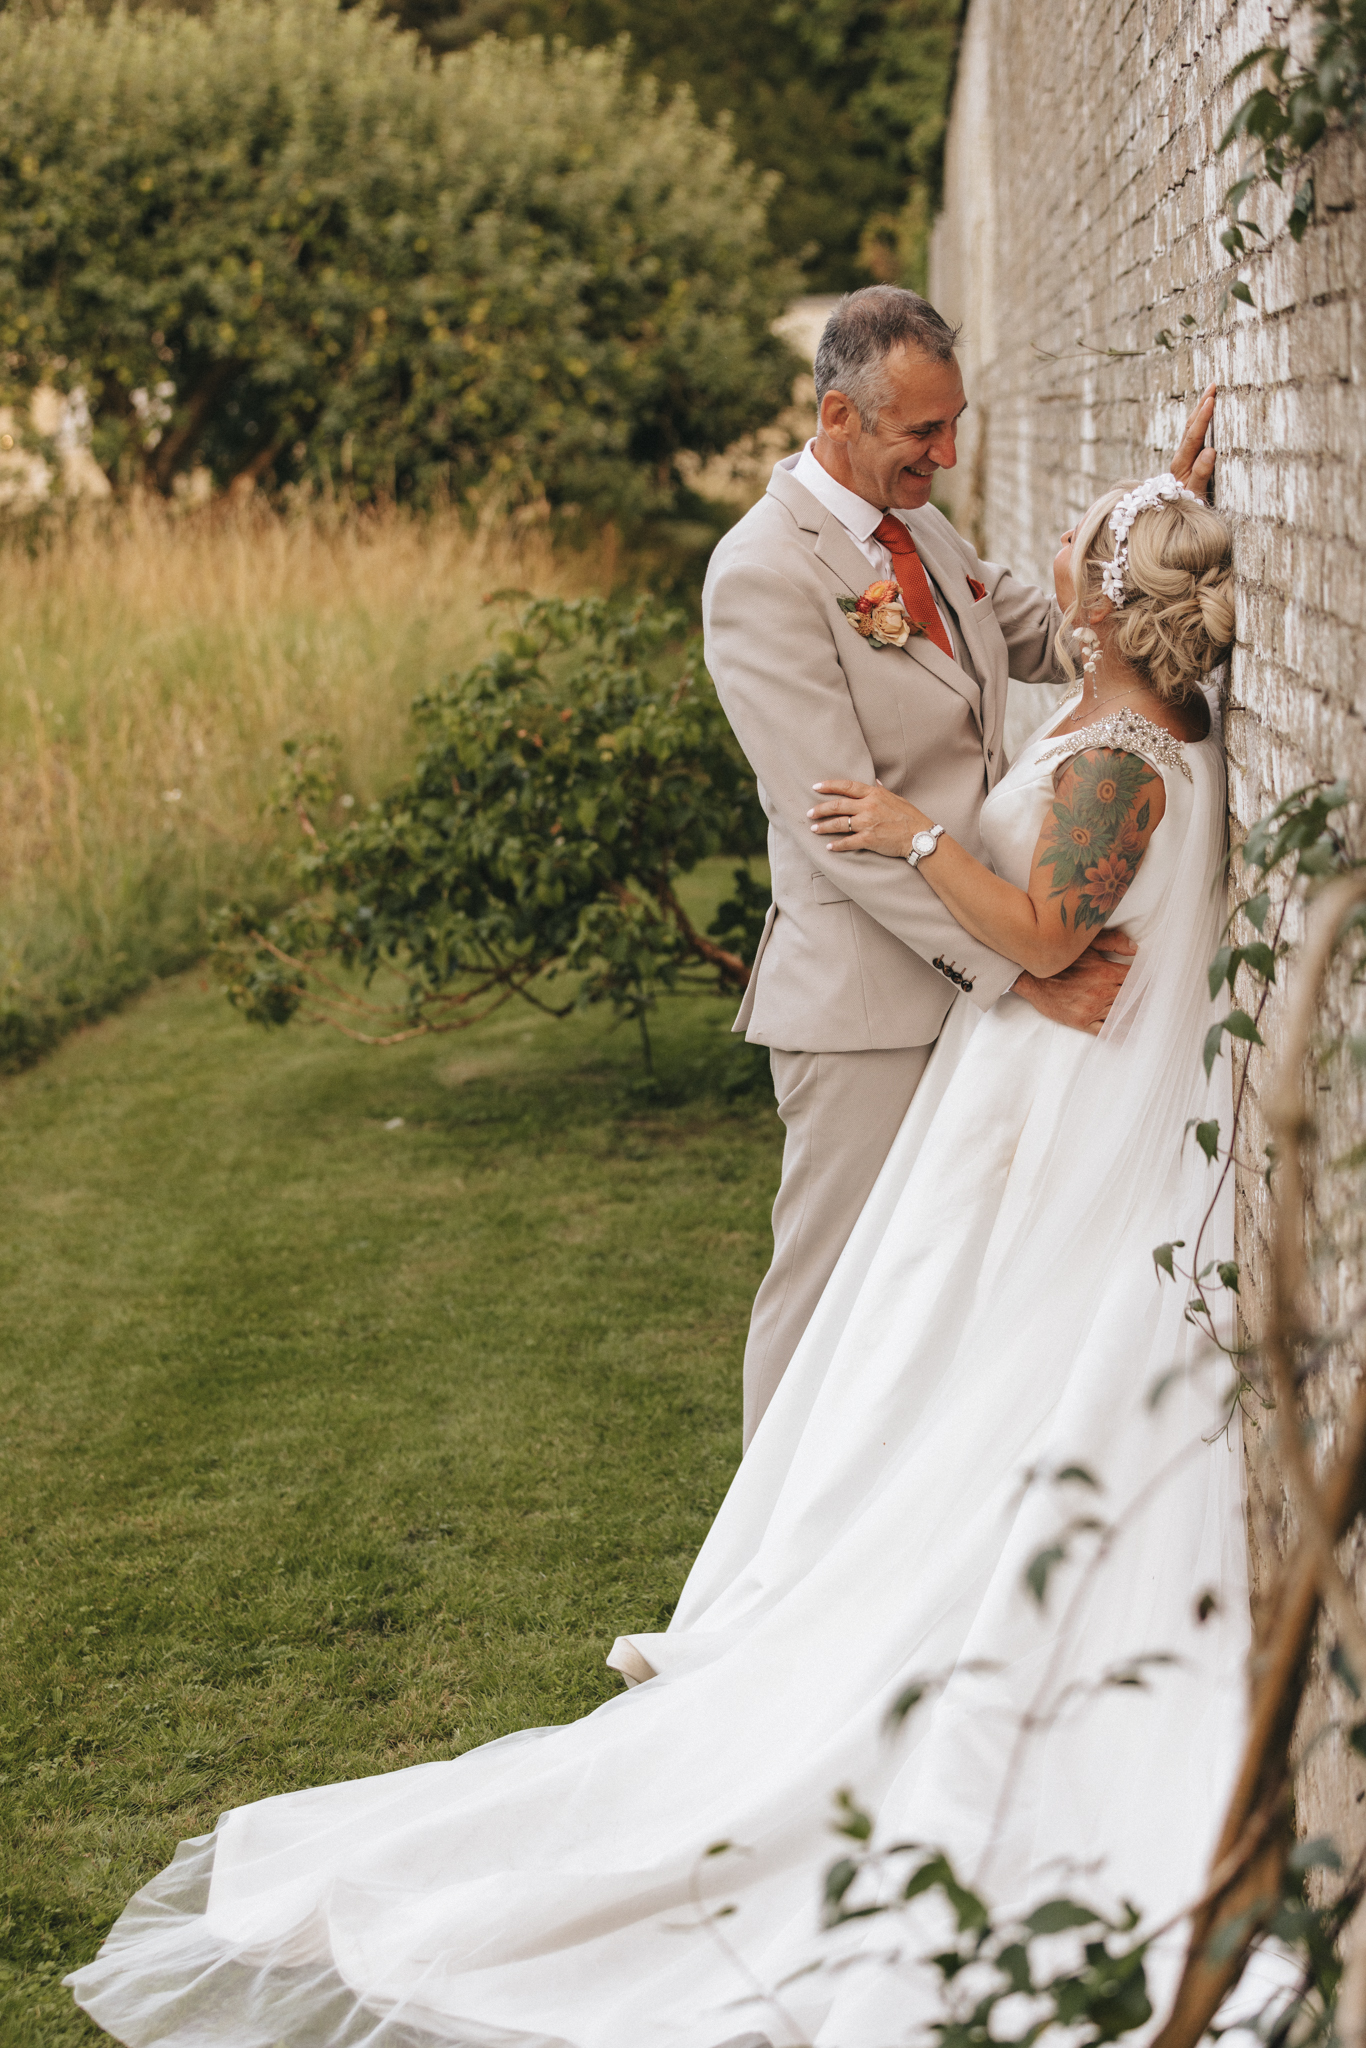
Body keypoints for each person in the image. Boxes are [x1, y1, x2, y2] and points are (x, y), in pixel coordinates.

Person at [69, 477, 1247, 2048]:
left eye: (1078, 546)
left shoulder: (1118, 757)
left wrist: (907, 832)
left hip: (1060, 1103)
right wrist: (1174, 470)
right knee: (914, 1359)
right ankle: (813, 1569)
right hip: (1046, 1102)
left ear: (1100, 602)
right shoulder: (1130, 719)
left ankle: (832, 1615)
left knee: (965, 1382)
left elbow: (1045, 941)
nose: (1036, 549)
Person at [701, 285, 1216, 1446]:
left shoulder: (920, 527)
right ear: (837, 415)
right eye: (919, 432)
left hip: (974, 959)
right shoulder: (762, 575)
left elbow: (1053, 624)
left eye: (954, 424)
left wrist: (1160, 518)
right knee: (833, 1286)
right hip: (867, 1000)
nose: (944, 452)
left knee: (924, 1295)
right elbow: (843, 829)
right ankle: (763, 1568)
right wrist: (1020, 970)